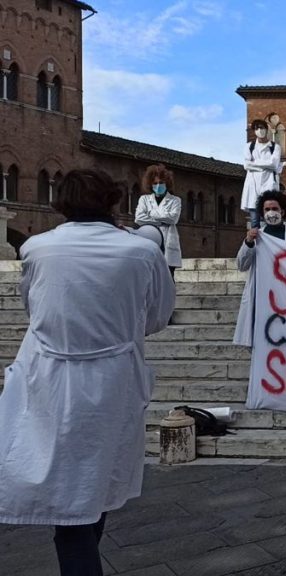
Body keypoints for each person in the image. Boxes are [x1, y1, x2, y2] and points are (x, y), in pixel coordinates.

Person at [0, 169, 175, 576]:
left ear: (59, 202)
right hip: (113, 383)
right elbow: (158, 317)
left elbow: (35, 309)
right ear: (112, 200)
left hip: (49, 382)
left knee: (69, 489)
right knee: (94, 482)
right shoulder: (141, 252)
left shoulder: (37, 249)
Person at [234, 191, 286, 346]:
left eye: (274, 208)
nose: (271, 212)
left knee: (285, 341)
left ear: (282, 211)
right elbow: (241, 265)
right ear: (262, 212)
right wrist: (248, 242)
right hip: (262, 297)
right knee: (261, 342)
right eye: (267, 209)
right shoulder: (255, 236)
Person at [134, 163, 182, 277]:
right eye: (155, 183)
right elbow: (139, 218)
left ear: (167, 183)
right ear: (150, 184)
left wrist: (150, 213)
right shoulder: (144, 199)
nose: (158, 186)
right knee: (148, 276)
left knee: (168, 278)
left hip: (168, 241)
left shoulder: (175, 200)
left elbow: (173, 218)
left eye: (161, 183)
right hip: (149, 238)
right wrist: (162, 221)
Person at [241, 119, 283, 229]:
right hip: (253, 187)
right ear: (254, 131)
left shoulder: (275, 147)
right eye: (257, 128)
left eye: (262, 128)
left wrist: (255, 164)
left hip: (269, 184)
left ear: (267, 129)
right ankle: (257, 246)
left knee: (270, 220)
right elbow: (246, 165)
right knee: (255, 223)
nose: (260, 131)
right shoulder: (249, 147)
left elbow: (274, 164)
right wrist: (265, 166)